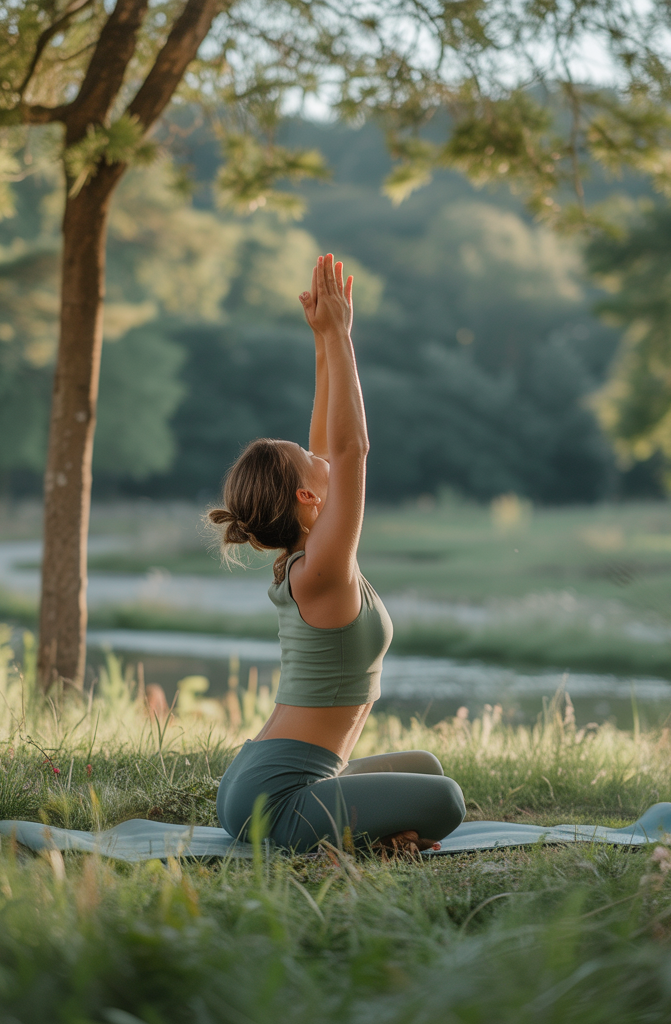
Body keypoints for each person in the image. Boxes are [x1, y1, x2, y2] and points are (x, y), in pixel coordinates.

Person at [209, 254, 465, 854]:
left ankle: (367, 829)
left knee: (424, 767)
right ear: (306, 494)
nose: (318, 451)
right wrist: (344, 335)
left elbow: (330, 444)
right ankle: (364, 838)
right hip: (274, 797)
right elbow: (350, 450)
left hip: (258, 780)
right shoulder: (322, 571)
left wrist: (324, 341)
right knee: (446, 801)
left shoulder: (311, 562)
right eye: (307, 457)